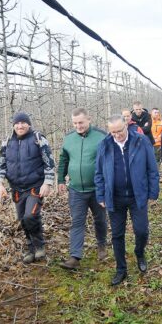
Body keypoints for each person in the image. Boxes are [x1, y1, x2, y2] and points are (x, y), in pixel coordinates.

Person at [95, 115, 159, 286]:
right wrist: (100, 195)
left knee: (142, 231)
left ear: (126, 126)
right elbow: (99, 173)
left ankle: (139, 252)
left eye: (120, 131)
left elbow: (152, 168)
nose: (117, 135)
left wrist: (153, 193)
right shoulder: (105, 145)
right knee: (117, 235)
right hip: (114, 198)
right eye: (113, 132)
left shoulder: (141, 141)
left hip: (137, 195)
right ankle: (121, 269)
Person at [0, 112, 55, 264]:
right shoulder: (7, 141)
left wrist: (47, 182)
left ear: (29, 124)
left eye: (23, 123)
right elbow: (1, 164)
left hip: (35, 186)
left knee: (31, 216)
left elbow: (49, 161)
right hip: (17, 188)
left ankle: (39, 245)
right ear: (13, 125)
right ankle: (31, 248)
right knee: (23, 219)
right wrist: (0, 183)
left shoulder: (38, 138)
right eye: (17, 123)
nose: (20, 126)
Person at [57, 108, 109, 270]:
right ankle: (75, 256)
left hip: (97, 189)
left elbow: (110, 162)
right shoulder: (68, 139)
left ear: (89, 120)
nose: (78, 126)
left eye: (80, 122)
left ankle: (101, 246)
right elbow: (63, 159)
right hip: (76, 190)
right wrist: (60, 179)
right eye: (75, 123)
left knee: (99, 219)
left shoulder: (101, 137)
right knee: (77, 222)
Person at [150, 108, 162, 182]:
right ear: (151, 113)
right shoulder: (148, 122)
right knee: (154, 161)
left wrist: (159, 137)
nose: (156, 114)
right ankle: (155, 175)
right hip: (150, 144)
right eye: (155, 112)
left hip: (160, 144)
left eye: (157, 112)